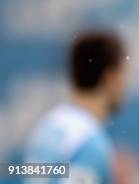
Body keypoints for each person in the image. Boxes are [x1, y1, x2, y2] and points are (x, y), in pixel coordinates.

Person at [23, 31, 128, 184]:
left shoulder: (47, 126)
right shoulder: (90, 145)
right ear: (110, 78)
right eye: (123, 73)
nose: (126, 84)